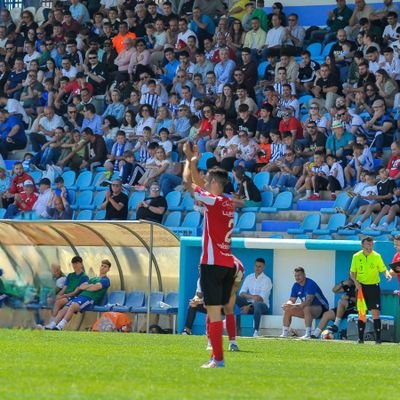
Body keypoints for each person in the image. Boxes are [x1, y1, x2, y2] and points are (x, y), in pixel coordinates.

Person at [183, 142, 235, 368]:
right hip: (226, 263)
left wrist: (188, 160)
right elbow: (198, 184)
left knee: (213, 313)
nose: (204, 182)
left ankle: (218, 359)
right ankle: (216, 357)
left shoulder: (213, 201)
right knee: (215, 311)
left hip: (212, 263)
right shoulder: (227, 202)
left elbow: (188, 183)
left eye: (207, 180)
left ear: (215, 183)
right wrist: (195, 164)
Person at [349, 237, 392, 344]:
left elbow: (383, 269)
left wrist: (387, 275)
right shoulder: (356, 256)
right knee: (361, 312)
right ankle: (360, 338)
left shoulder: (377, 256)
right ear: (362, 245)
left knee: (375, 312)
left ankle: (378, 339)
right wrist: (356, 283)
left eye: (371, 244)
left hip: (373, 287)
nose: (370, 247)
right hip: (361, 287)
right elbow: (352, 272)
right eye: (368, 245)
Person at [52, 259, 111, 331]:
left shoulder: (106, 280)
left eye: (105, 266)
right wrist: (90, 286)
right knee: (65, 307)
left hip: (89, 298)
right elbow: (81, 286)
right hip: (80, 297)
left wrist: (88, 287)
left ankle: (60, 326)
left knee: (73, 306)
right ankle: (52, 324)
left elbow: (95, 288)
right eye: (102, 265)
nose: (102, 267)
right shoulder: (94, 279)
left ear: (108, 269)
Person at [281, 267, 329, 339]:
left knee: (306, 308)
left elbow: (308, 302)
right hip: (307, 309)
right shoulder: (296, 285)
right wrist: (288, 304)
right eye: (296, 276)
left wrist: (293, 306)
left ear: (304, 275)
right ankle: (284, 333)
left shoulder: (310, 284)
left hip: (322, 308)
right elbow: (292, 299)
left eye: (299, 275)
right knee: (287, 309)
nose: (297, 277)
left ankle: (308, 334)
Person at [45, 256, 89, 330]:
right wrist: (59, 295)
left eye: (77, 263)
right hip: (67, 296)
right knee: (56, 301)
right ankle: (53, 324)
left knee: (59, 302)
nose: (75, 265)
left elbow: (76, 292)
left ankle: (53, 323)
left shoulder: (84, 277)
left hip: (75, 297)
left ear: (81, 264)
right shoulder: (70, 275)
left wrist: (63, 296)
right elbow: (64, 289)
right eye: (73, 264)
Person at [236, 258, 272, 338]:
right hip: (249, 305)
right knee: (234, 297)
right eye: (256, 266)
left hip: (262, 306)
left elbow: (260, 299)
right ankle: (231, 323)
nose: (257, 268)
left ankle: (256, 331)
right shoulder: (249, 277)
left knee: (257, 305)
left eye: (259, 266)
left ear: (263, 268)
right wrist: (252, 297)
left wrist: (248, 306)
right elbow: (241, 293)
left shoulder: (267, 280)